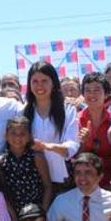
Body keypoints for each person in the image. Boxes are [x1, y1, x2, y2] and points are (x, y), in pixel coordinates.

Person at [23, 61, 79, 191]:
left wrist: (48, 147)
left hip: (63, 179)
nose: (39, 85)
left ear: (53, 83)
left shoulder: (68, 110)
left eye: (44, 81)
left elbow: (72, 144)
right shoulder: (23, 111)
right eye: (35, 81)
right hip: (34, 180)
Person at [0, 116, 53, 214]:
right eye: (13, 133)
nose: (18, 137)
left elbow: (48, 186)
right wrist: (13, 218)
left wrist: (43, 213)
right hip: (14, 213)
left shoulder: (37, 157)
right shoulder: (1, 160)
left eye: (22, 134)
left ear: (29, 137)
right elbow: (3, 192)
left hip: (36, 212)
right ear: (6, 136)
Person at [78, 72, 111, 188]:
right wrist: (83, 144)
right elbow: (74, 157)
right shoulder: (76, 120)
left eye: (97, 90)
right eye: (87, 90)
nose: (92, 94)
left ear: (106, 94)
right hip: (85, 182)